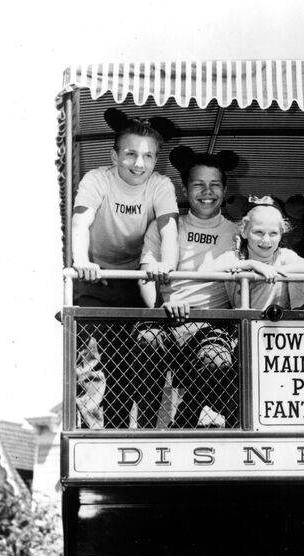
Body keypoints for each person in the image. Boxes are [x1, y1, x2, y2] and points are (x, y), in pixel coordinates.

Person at [71, 108, 179, 428]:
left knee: (127, 362)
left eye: (148, 156)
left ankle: (129, 433)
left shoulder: (160, 185)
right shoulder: (97, 179)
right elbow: (81, 221)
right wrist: (82, 261)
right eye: (131, 154)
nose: (139, 163)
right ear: (114, 155)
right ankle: (92, 436)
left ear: (156, 159)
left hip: (134, 279)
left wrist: (166, 266)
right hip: (97, 277)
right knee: (90, 357)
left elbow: (169, 231)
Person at [138, 145, 241, 428]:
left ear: (224, 189)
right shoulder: (165, 227)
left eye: (214, 184)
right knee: (147, 341)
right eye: (198, 184)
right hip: (167, 320)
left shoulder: (237, 233)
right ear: (185, 188)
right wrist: (161, 307)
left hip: (213, 324)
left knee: (216, 361)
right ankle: (147, 431)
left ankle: (181, 424)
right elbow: (145, 275)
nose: (207, 192)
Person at [212, 197, 304, 310]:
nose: (266, 240)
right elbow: (204, 270)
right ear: (244, 231)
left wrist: (273, 271)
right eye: (259, 232)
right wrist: (251, 264)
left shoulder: (283, 255)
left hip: (275, 319)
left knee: (296, 276)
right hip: (243, 320)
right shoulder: (235, 256)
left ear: (281, 233)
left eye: (273, 233)